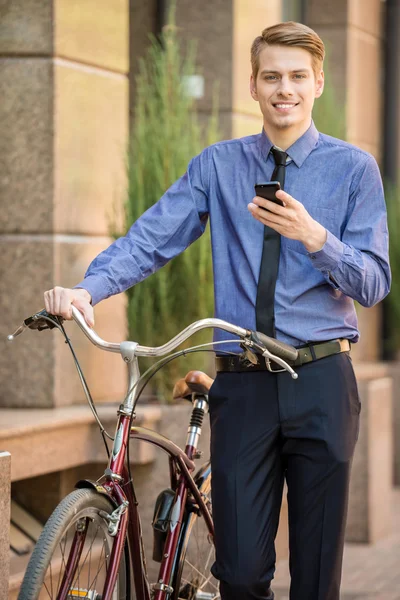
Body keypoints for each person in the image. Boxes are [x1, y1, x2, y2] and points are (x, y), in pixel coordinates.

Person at [44, 21, 390, 600]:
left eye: (298, 76)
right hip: (245, 386)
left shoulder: (355, 170)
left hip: (322, 380)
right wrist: (90, 288)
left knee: (316, 576)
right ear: (252, 85)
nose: (286, 88)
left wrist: (314, 236)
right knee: (242, 574)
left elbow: (375, 282)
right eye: (272, 76)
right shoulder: (217, 166)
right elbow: (151, 239)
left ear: (319, 83)